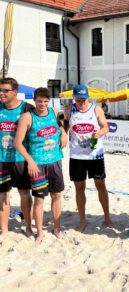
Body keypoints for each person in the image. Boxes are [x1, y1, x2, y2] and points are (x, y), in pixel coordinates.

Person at [14, 87, 68, 243]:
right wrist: (30, 161)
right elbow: (18, 143)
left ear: (49, 101)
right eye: (39, 101)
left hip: (55, 160)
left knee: (57, 195)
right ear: (34, 101)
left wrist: (63, 132)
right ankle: (40, 233)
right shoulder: (27, 117)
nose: (42, 104)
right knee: (39, 199)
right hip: (37, 164)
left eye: (45, 101)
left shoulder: (53, 111)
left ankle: (57, 228)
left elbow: (60, 124)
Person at [63, 84, 111, 232]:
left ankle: (107, 217)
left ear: (88, 97)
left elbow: (105, 127)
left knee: (100, 185)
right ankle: (82, 220)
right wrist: (64, 134)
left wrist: (97, 134)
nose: (81, 102)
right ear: (74, 98)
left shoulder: (96, 109)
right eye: (78, 99)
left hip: (95, 154)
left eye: (84, 99)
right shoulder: (69, 109)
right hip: (77, 155)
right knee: (79, 187)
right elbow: (65, 124)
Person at [0, 77, 34, 242]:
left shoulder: (27, 108)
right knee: (2, 196)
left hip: (20, 158)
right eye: (0, 90)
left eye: (5, 90)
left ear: (15, 91)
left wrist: (63, 131)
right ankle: (4, 230)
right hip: (1, 158)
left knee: (24, 194)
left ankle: (28, 226)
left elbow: (46, 121)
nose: (1, 93)